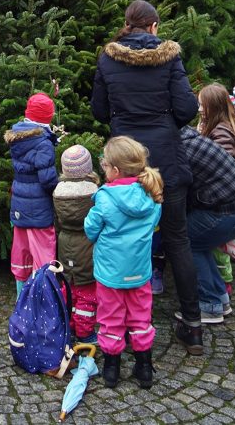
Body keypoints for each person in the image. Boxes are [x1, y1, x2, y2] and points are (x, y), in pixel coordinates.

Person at [91, 0, 203, 355]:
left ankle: (117, 322)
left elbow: (98, 109)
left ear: (126, 24)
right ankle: (193, 325)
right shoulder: (169, 57)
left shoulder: (109, 58)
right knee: (177, 239)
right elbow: (187, 107)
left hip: (124, 159)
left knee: (118, 235)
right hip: (166, 159)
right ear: (154, 27)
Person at [84, 136, 163, 389]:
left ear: (115, 170)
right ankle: (143, 367)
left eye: (104, 164)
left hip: (110, 273)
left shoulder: (105, 197)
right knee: (141, 318)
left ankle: (111, 368)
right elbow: (152, 226)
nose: (102, 168)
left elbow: (90, 230)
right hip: (139, 271)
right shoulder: (151, 193)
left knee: (110, 319)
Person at [179, 126, 235, 323]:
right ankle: (219, 298)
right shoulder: (188, 137)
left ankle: (210, 305)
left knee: (186, 242)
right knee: (199, 242)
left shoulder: (179, 149)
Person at [5, 92, 58, 299]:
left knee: (22, 255)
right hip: (39, 210)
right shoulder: (43, 142)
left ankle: (22, 300)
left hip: (19, 205)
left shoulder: (18, 137)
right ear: (48, 117)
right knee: (43, 255)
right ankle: (42, 302)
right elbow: (47, 179)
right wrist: (58, 189)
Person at [53, 144, 100, 344]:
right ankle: (85, 332)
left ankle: (69, 324)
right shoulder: (94, 192)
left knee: (69, 288)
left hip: (64, 244)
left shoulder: (58, 191)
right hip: (87, 247)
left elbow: (56, 222)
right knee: (87, 294)